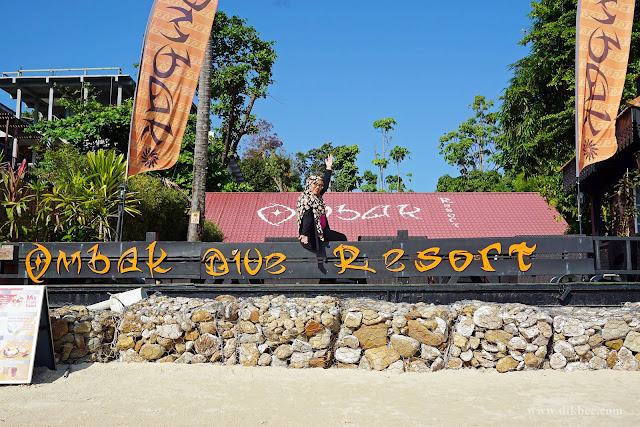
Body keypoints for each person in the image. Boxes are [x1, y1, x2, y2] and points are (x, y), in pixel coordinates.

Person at [296, 154, 347, 251]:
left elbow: (326, 184)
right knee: (341, 238)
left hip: (323, 231)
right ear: (309, 185)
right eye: (315, 185)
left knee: (342, 238)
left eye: (319, 186)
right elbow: (307, 216)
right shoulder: (306, 198)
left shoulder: (317, 197)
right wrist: (305, 234)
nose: (318, 188)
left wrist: (328, 167)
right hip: (312, 234)